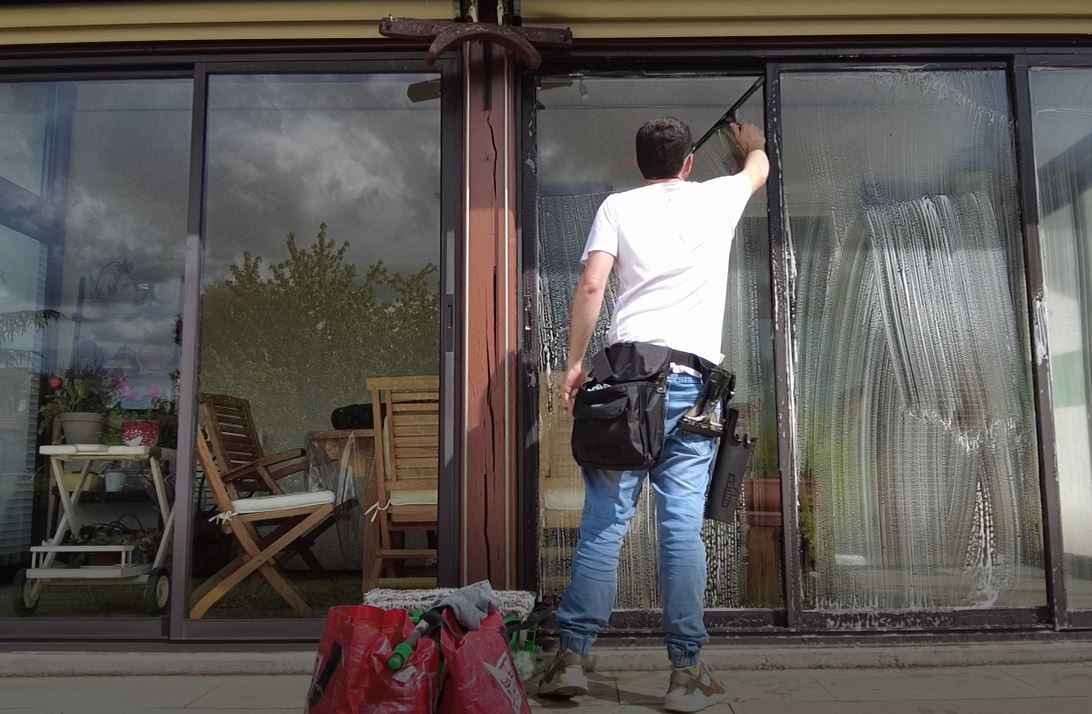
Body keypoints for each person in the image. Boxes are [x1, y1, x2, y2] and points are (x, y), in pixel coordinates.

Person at [537, 116, 768, 713]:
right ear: (688, 162)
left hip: (627, 387)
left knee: (604, 526)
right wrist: (749, 143)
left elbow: (592, 286)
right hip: (693, 390)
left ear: (639, 164)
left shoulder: (617, 207)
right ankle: (685, 675)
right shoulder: (717, 198)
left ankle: (571, 660)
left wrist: (574, 364)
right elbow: (758, 169)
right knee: (680, 531)